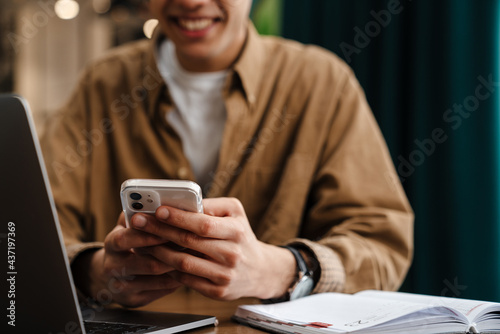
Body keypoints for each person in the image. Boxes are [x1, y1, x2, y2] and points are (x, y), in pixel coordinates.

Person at [41, 0, 414, 308]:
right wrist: (92, 271)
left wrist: (285, 269)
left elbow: (382, 243)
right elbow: (28, 231)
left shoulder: (322, 84)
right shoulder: (101, 84)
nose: (190, 2)